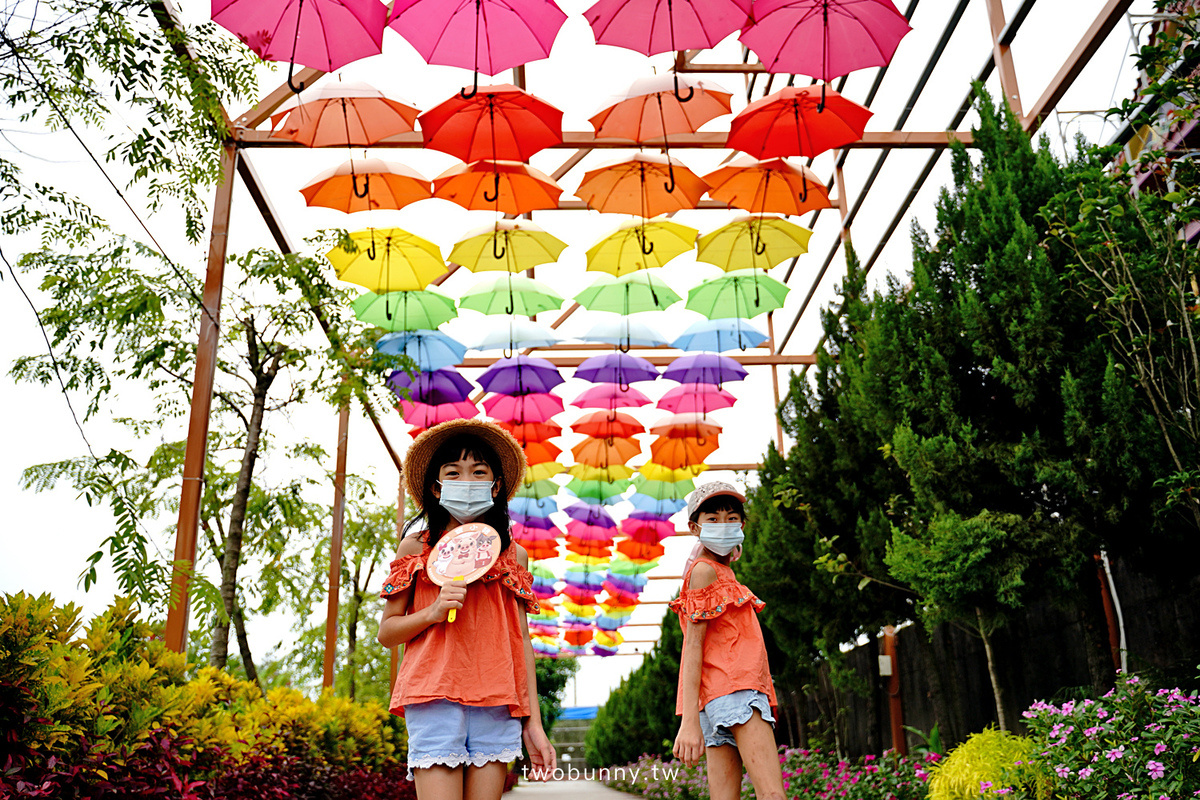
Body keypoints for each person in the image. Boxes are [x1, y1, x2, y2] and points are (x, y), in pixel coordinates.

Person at [377, 418, 556, 799]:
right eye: (453, 472)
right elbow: (387, 631)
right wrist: (432, 613)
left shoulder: (514, 555)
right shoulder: (416, 548)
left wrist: (533, 724)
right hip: (433, 694)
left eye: (478, 472)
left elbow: (521, 640)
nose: (467, 480)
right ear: (435, 486)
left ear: (495, 485)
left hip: (497, 702)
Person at [670, 481, 785, 800]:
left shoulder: (718, 571)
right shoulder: (705, 571)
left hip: (717, 699)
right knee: (773, 794)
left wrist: (696, 714)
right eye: (713, 518)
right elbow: (691, 647)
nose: (724, 525)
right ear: (694, 527)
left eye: (732, 517)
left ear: (743, 524)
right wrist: (689, 722)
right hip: (738, 692)